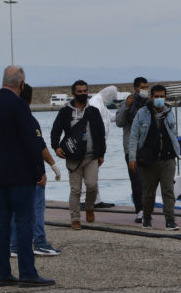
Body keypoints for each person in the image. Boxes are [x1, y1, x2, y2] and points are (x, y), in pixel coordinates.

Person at [0, 66, 54, 287]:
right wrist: (40, 171)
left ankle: (3, 273)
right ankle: (27, 272)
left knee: (1, 223)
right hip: (21, 175)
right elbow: (31, 142)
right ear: (21, 84)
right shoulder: (19, 106)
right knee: (24, 221)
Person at [10, 83, 63, 256]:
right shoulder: (29, 120)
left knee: (15, 210)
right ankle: (39, 242)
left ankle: (14, 245)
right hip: (31, 173)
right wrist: (51, 166)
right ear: (31, 99)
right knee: (37, 208)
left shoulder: (8, 118)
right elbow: (38, 146)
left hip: (12, 172)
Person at [50, 80, 107, 230]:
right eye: (79, 91)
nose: (83, 94)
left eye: (85, 91)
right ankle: (75, 218)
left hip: (91, 156)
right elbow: (55, 131)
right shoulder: (65, 112)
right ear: (73, 93)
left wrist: (101, 153)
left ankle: (89, 207)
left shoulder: (93, 111)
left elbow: (100, 133)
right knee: (75, 190)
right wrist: (56, 147)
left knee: (92, 186)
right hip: (73, 158)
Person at [129, 85, 181, 231]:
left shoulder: (170, 113)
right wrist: (132, 158)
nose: (159, 99)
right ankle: (147, 218)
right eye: (157, 96)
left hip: (168, 159)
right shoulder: (142, 113)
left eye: (162, 96)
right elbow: (134, 136)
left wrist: (178, 150)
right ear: (151, 97)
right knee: (148, 191)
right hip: (149, 160)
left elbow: (173, 133)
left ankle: (170, 220)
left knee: (168, 190)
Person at [117, 76, 149, 222]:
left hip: (147, 148)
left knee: (148, 181)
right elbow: (119, 122)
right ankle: (140, 210)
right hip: (131, 150)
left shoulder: (149, 104)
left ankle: (148, 209)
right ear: (135, 88)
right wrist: (126, 107)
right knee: (136, 181)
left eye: (146, 87)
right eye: (142, 87)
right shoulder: (127, 104)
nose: (145, 90)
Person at [86, 85, 119, 210]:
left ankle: (96, 200)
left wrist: (123, 112)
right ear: (109, 95)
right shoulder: (95, 102)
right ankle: (87, 200)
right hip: (93, 144)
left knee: (94, 174)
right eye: (112, 98)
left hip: (100, 144)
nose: (112, 100)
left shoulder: (102, 103)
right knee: (89, 174)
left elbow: (111, 118)